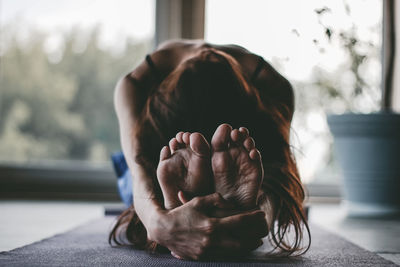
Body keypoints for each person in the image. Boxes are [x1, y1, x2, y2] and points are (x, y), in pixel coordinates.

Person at [110, 40, 310, 260]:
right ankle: (220, 203)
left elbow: (277, 171)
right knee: (134, 180)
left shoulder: (273, 89)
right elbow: (139, 169)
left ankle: (193, 198)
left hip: (236, 159)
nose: (207, 53)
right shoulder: (134, 86)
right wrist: (156, 224)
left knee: (267, 179)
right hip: (159, 155)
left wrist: (260, 213)